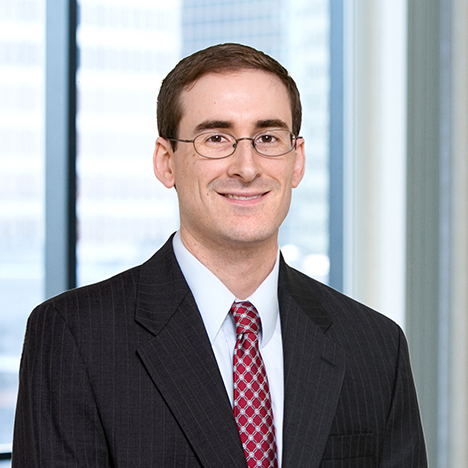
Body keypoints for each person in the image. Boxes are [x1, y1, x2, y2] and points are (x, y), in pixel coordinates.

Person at [12, 43, 427, 467]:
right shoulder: (75, 338)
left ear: (296, 160)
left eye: (267, 138)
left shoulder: (375, 346)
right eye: (216, 138)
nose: (246, 167)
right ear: (166, 161)